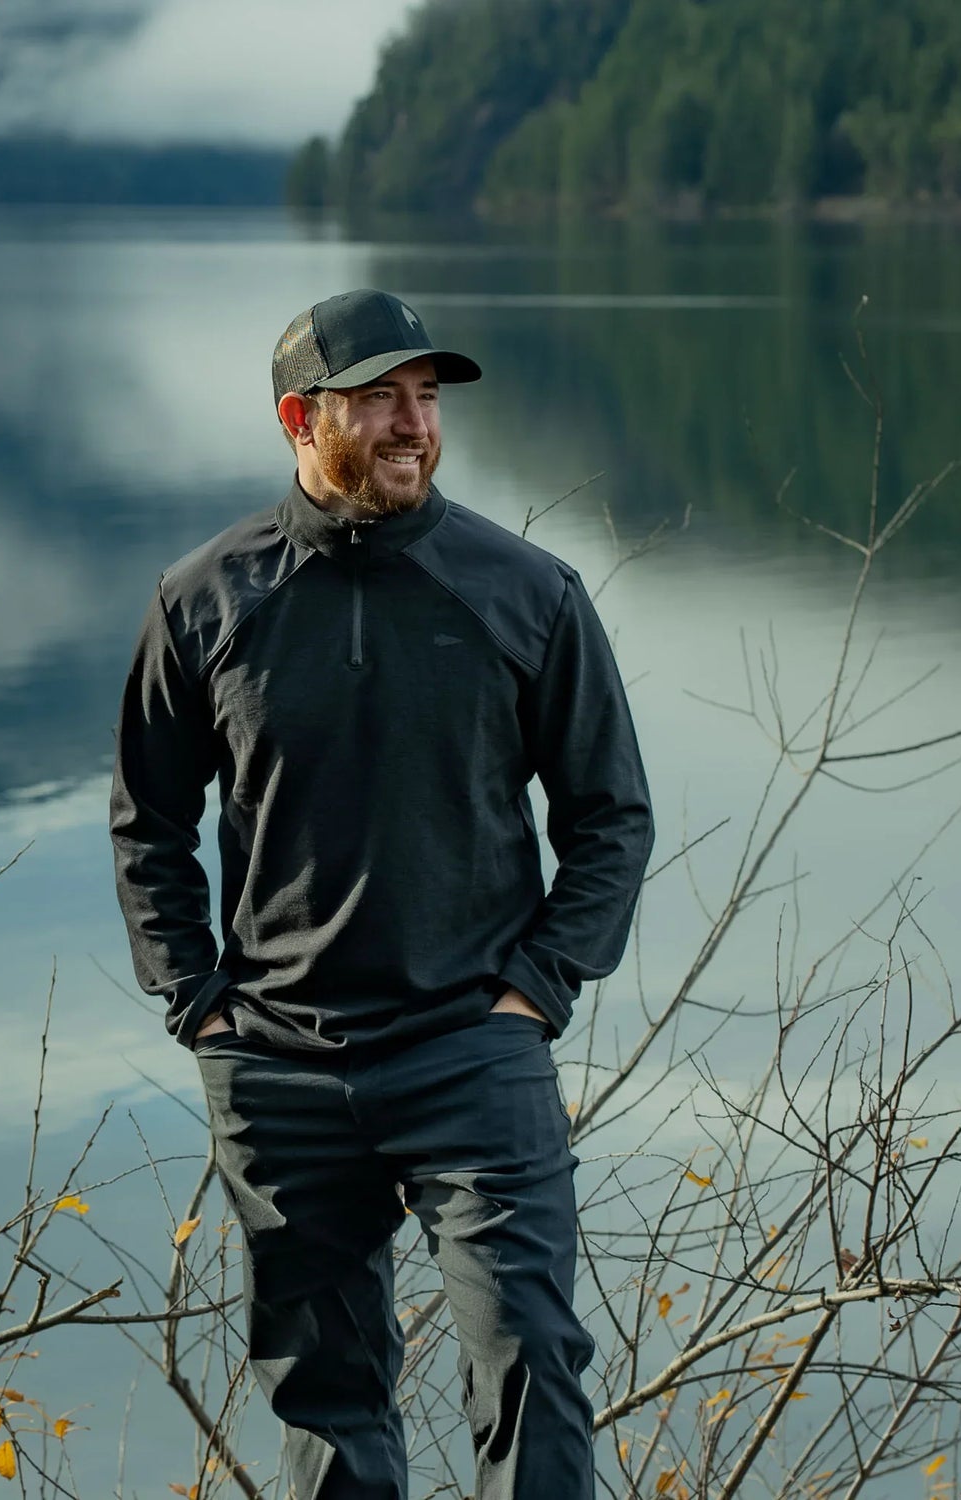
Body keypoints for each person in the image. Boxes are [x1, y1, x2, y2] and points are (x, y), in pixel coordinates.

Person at [110, 287, 654, 1499]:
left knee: (531, 1366)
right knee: (329, 1396)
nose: (414, 424)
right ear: (303, 418)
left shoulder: (528, 593)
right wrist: (197, 1001)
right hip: (279, 1067)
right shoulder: (206, 599)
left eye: (426, 398)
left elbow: (610, 815)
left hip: (473, 1049)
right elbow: (147, 820)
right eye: (379, 401)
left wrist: (540, 987)